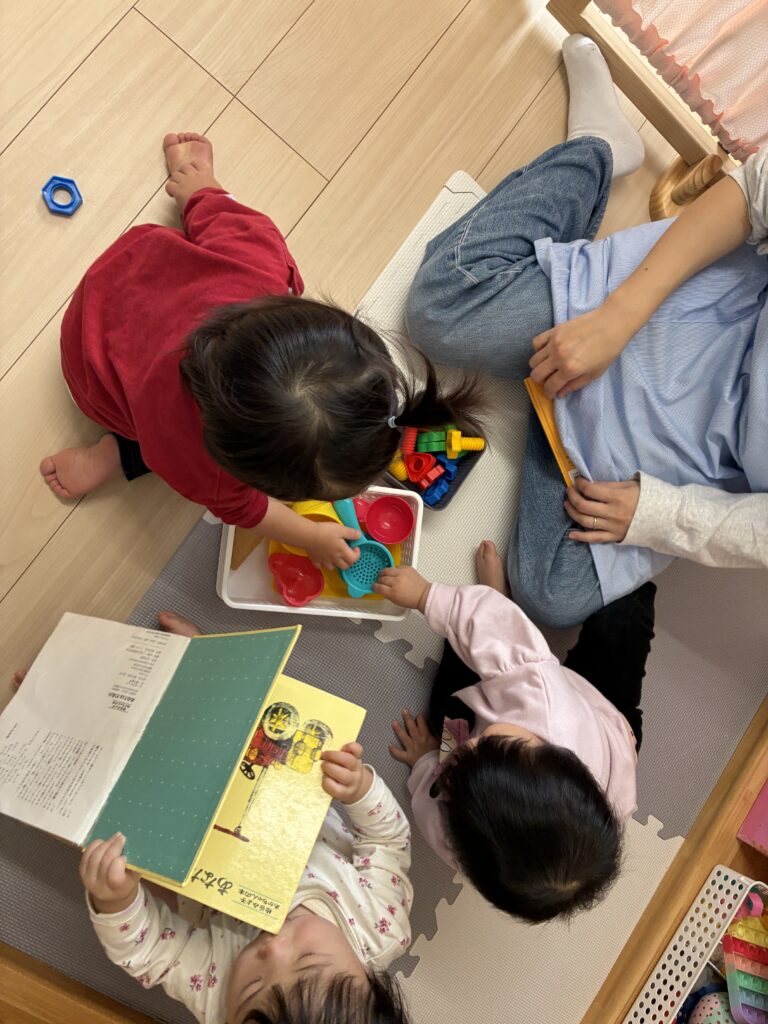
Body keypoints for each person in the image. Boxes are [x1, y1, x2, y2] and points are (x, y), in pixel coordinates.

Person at [405, 35, 768, 628]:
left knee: (550, 597)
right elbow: (751, 194)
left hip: (692, 452)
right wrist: (616, 318)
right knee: (439, 311)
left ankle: (554, 402)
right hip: (686, 314)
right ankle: (596, 150)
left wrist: (661, 514)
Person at [44, 132, 483, 571]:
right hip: (95, 376)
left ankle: (196, 184)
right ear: (237, 467)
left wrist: (200, 188)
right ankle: (117, 452)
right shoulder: (206, 468)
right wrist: (310, 534)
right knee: (154, 444)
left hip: (120, 277)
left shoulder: (257, 263)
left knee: (214, 219)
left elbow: (222, 216)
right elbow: (245, 508)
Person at [78, 612, 413, 1024]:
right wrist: (361, 789)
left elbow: (150, 954)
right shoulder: (381, 925)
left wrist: (115, 901)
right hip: (275, 781)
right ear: (370, 975)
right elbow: (388, 840)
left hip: (188, 828)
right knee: (254, 723)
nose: (273, 949)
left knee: (114, 842)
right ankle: (206, 662)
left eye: (252, 986)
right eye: (307, 959)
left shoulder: (217, 996)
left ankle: (76, 731)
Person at [375, 543, 655, 923]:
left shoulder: (466, 843)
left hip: (584, 739)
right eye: (489, 743)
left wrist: (428, 763)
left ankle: (499, 602)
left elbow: (431, 808)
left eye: (459, 769)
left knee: (449, 711)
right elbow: (492, 627)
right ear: (552, 751)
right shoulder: (540, 695)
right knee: (620, 617)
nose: (468, 746)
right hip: (607, 715)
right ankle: (499, 598)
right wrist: (426, 596)